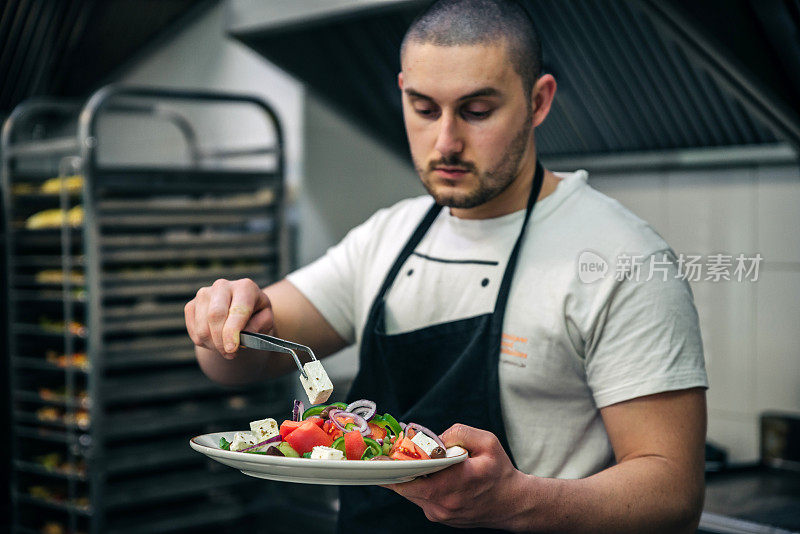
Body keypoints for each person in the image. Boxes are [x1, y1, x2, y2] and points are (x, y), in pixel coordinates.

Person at [185, 0, 708, 532]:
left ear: (538, 101)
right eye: (424, 108)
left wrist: (516, 501)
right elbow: (243, 364)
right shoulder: (388, 236)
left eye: (477, 111)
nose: (446, 142)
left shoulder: (622, 257)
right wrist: (224, 326)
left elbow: (673, 492)